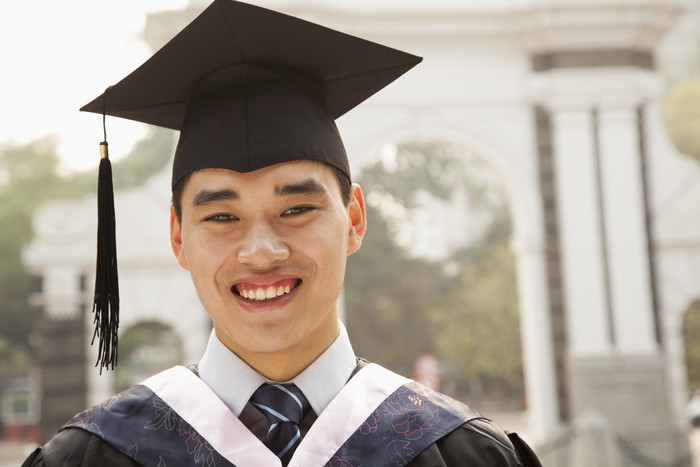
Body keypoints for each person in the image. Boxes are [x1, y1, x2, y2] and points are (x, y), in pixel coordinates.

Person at [23, 0, 541, 465]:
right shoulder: (93, 457)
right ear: (179, 237)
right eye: (222, 217)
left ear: (354, 218)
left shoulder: (465, 455)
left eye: (296, 209)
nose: (262, 252)